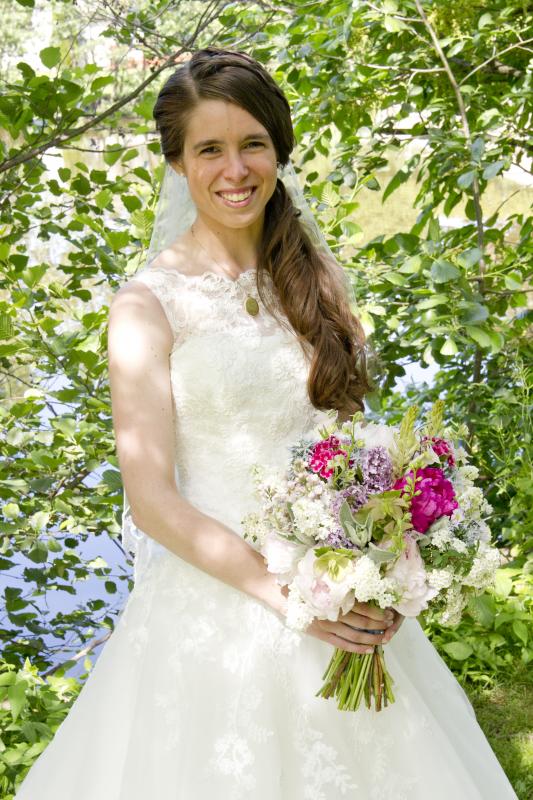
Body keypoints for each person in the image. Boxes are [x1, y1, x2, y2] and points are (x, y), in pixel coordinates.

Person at [14, 47, 517, 799]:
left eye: (252, 143)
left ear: (278, 150)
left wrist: (380, 557)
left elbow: (350, 452)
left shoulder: (315, 280)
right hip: (216, 603)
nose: (235, 169)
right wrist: (292, 601)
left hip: (339, 588)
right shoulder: (146, 305)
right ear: (177, 163)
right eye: (208, 149)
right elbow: (151, 501)